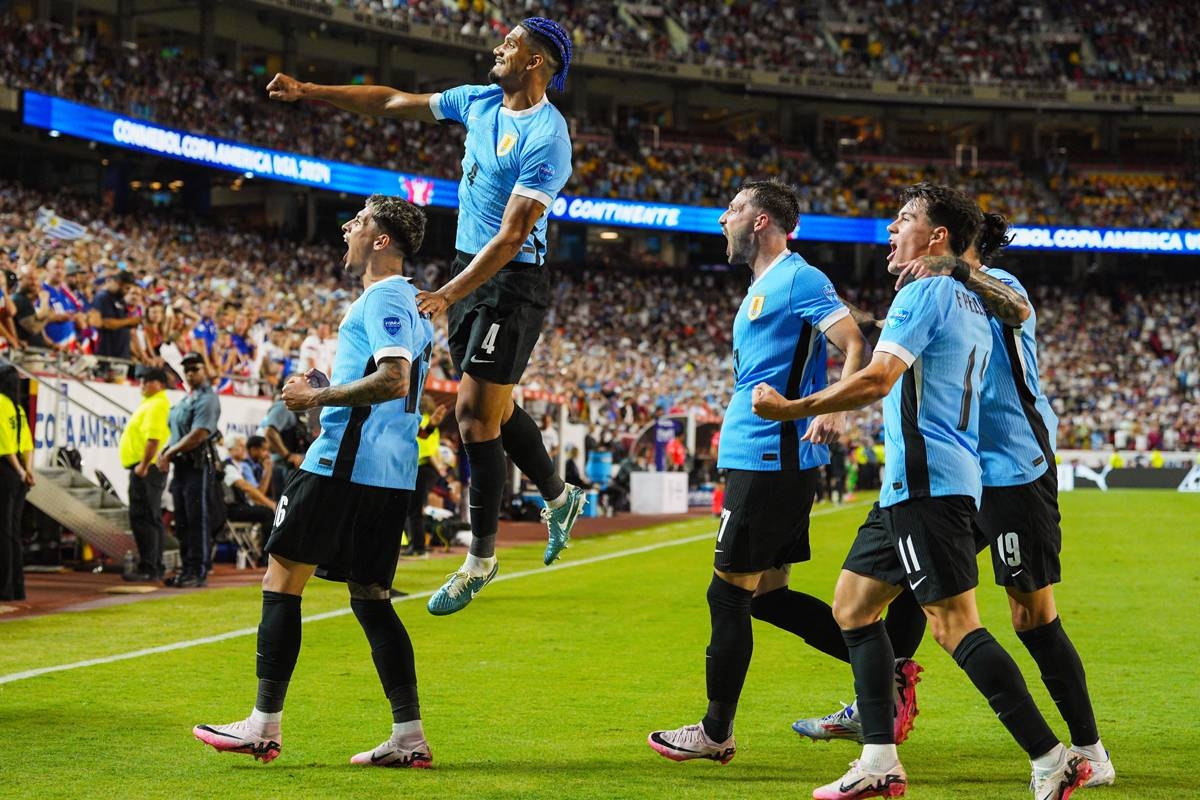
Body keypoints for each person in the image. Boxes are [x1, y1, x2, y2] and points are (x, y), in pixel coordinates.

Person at [751, 184, 1090, 800]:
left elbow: (880, 379)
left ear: (938, 237)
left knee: (956, 625)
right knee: (853, 606)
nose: (889, 230)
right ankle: (879, 758)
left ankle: (1052, 756)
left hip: (931, 479)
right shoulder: (967, 301)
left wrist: (792, 408)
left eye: (902, 219)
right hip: (919, 482)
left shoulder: (937, 289)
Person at [267, 16, 587, 618]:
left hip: (512, 281)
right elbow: (392, 100)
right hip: (468, 269)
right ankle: (559, 494)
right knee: (495, 408)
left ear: (536, 62)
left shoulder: (548, 137)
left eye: (512, 43)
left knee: (472, 416)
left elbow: (513, 235)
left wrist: (446, 293)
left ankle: (480, 560)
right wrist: (310, 91)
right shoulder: (478, 101)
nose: (499, 47)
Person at [193, 194, 436, 768]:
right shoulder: (414, 303)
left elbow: (393, 379)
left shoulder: (385, 296)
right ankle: (408, 736)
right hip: (391, 476)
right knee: (372, 601)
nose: (347, 227)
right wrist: (330, 388)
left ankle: (262, 726)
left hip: (342, 467)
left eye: (359, 221)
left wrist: (314, 397)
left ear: (381, 240)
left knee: (281, 582)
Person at [646, 181, 871, 766]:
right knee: (768, 597)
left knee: (726, 594)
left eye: (734, 208)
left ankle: (715, 731)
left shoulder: (799, 278)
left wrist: (834, 408)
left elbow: (855, 344)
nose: (723, 218)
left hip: (772, 458)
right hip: (764, 458)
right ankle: (886, 667)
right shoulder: (762, 286)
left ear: (762, 220)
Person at [157, 350, 221, 588]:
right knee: (182, 520)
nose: (190, 373)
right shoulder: (187, 398)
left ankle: (198, 570)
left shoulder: (208, 399)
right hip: (182, 466)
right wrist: (166, 451)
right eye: (187, 370)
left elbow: (199, 434)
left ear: (205, 370)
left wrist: (168, 453)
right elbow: (177, 434)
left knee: (197, 520)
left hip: (197, 465)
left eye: (195, 369)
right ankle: (186, 569)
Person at [118, 367, 171, 582]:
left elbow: (153, 439)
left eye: (147, 380)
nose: (142, 384)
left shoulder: (157, 404)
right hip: (147, 467)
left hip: (146, 469)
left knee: (144, 518)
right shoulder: (152, 402)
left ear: (159, 384)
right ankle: (153, 565)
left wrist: (143, 465)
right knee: (149, 517)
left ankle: (149, 567)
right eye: (140, 380)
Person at [0, 361, 33, 601]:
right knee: (12, 531)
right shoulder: (17, 408)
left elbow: (4, 444)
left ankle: (4, 587)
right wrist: (27, 470)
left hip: (5, 470)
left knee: (3, 531)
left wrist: (19, 470)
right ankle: (17, 587)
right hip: (19, 474)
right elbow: (27, 444)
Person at [402, 396, 449, 557]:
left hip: (422, 467)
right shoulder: (431, 423)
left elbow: (426, 450)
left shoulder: (420, 420)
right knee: (415, 508)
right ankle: (416, 544)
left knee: (413, 509)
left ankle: (418, 546)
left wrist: (439, 468)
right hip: (429, 469)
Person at [262, 379, 312, 500]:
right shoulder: (283, 406)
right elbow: (270, 432)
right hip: (283, 467)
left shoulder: (299, 408)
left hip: (291, 467)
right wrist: (288, 455)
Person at [91, 270, 141, 374]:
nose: (127, 292)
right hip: (107, 354)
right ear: (118, 283)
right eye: (127, 288)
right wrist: (130, 321)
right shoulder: (103, 297)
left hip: (121, 354)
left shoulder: (119, 299)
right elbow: (105, 323)